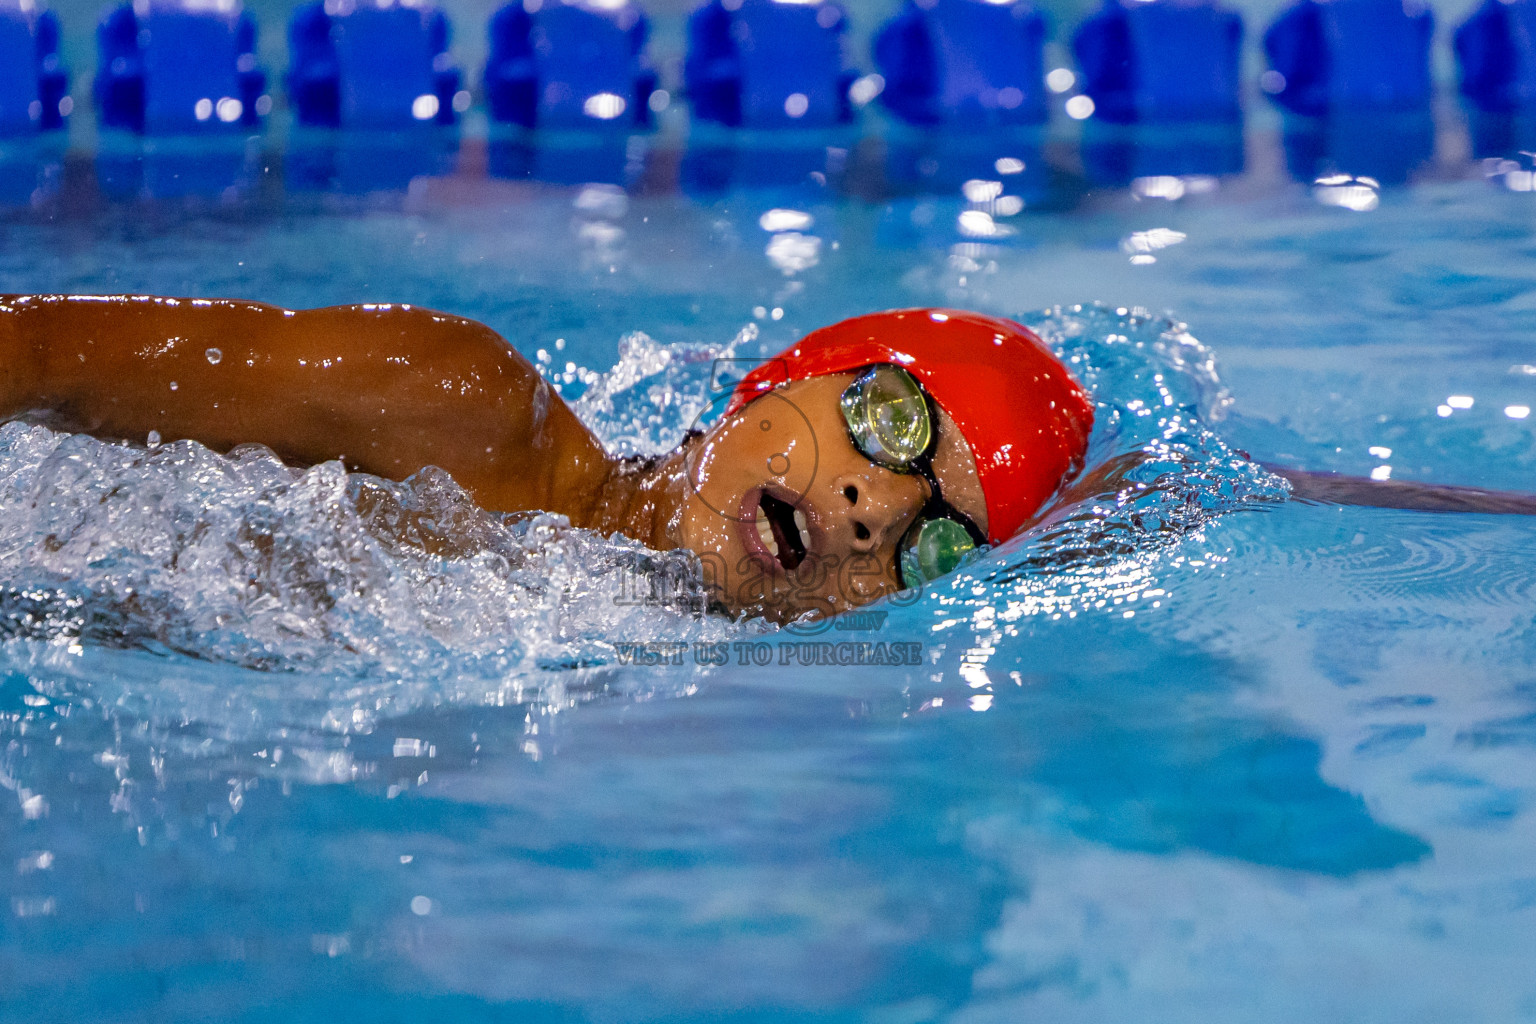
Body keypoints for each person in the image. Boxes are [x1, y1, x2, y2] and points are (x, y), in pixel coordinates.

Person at [2, 294, 1533, 624]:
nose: (877, 508)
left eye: (934, 536)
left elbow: (1179, 496)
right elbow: (32, 358)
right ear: (784, 382)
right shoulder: (456, 409)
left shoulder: (675, 638)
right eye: (888, 427)